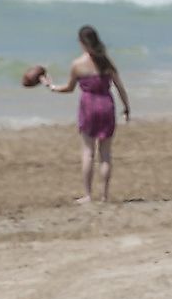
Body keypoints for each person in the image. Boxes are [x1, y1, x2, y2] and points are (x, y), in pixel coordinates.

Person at [46, 25, 130, 204]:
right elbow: (120, 87)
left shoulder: (77, 65)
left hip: (88, 107)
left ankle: (88, 195)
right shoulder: (106, 62)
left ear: (81, 42)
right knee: (105, 154)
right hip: (106, 105)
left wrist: (52, 87)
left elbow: (69, 88)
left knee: (88, 152)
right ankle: (104, 196)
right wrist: (126, 107)